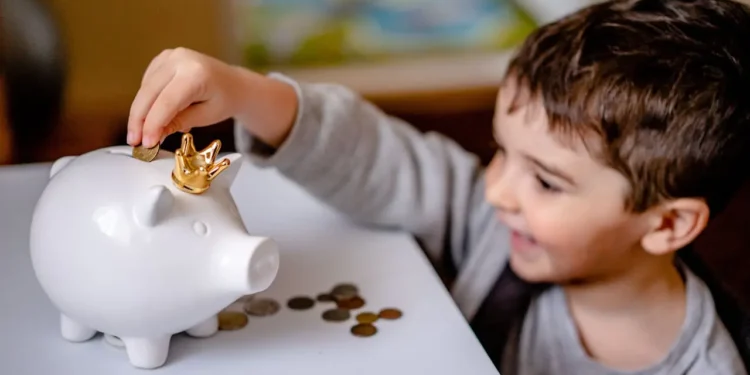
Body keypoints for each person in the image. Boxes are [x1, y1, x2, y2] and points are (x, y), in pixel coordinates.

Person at [126, 0, 750, 373]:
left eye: (546, 182)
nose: (498, 189)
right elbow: (377, 156)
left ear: (667, 224)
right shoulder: (494, 223)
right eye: (501, 150)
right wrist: (243, 92)